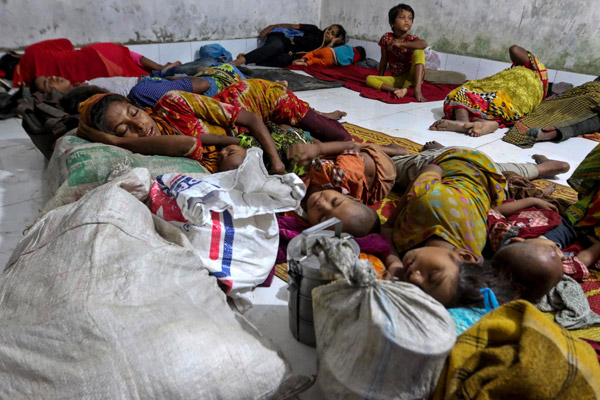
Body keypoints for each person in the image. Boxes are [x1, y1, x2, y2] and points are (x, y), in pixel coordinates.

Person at [76, 79, 349, 174]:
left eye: (134, 113)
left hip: (254, 100)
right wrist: (119, 143)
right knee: (310, 146)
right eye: (124, 130)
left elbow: (251, 119)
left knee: (340, 138)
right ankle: (312, 118)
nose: (138, 126)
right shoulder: (145, 149)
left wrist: (276, 162)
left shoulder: (173, 102)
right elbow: (186, 144)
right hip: (243, 138)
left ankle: (320, 114)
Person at [487, 197, 600, 301]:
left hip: (541, 211)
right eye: (560, 259)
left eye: (552, 249)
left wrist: (533, 201)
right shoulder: (550, 269)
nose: (561, 255)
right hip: (572, 226)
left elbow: (497, 211)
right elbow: (583, 259)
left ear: (517, 240)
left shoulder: (502, 235)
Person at [430, 45, 549, 137]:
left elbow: (514, 49)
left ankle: (462, 121)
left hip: (503, 96)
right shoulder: (538, 89)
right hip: (510, 107)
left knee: (463, 91)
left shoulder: (533, 68)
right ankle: (484, 122)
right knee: (480, 100)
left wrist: (531, 57)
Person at [30, 63, 247, 109]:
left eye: (49, 75)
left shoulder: (142, 94)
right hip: (158, 84)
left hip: (224, 80)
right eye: (47, 83)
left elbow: (203, 84)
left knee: (209, 66)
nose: (52, 78)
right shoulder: (145, 103)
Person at [3, 38, 181, 88]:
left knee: (143, 80)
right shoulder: (31, 52)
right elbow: (66, 43)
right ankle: (161, 68)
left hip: (94, 76)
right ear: (15, 56)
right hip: (92, 55)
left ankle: (164, 75)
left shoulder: (28, 84)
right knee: (124, 53)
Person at [502, 81, 600, 148]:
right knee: (575, 119)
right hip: (588, 96)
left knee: (578, 121)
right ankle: (546, 133)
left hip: (588, 98)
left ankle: (546, 133)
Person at [365, 4, 428, 102]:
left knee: (419, 50)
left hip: (413, 77)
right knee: (369, 79)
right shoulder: (387, 38)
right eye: (402, 17)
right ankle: (396, 90)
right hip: (398, 79)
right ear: (392, 23)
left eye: (410, 18)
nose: (407, 20)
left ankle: (417, 90)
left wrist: (402, 44)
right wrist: (380, 77)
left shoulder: (412, 39)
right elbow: (384, 59)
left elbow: (424, 44)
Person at [232, 23, 347, 67]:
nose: (328, 32)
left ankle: (250, 59)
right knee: (278, 46)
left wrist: (332, 43)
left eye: (333, 34)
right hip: (282, 37)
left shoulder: (324, 48)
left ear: (337, 39)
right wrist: (271, 27)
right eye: (329, 29)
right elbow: (291, 26)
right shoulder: (314, 29)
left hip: (288, 51)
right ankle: (241, 61)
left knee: (286, 60)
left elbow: (324, 55)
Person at [291, 45, 366, 67]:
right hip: (331, 61)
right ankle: (306, 63)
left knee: (313, 53)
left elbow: (339, 47)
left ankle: (304, 58)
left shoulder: (348, 47)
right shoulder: (354, 59)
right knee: (315, 61)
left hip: (329, 51)